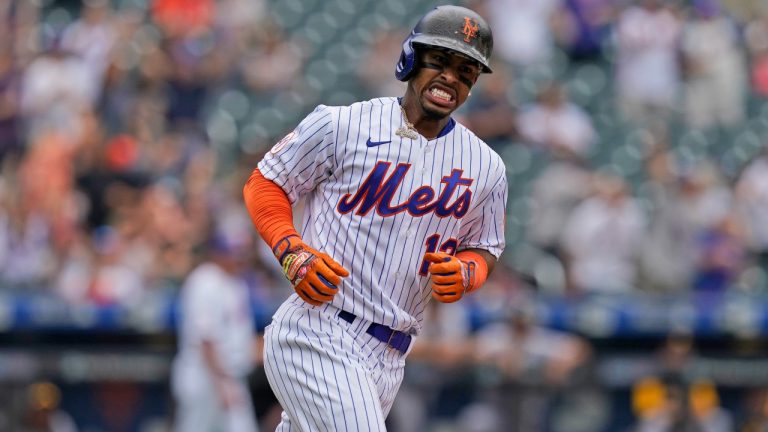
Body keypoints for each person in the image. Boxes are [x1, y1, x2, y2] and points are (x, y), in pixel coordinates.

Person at [243, 5, 507, 431]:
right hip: (318, 332)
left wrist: (467, 272)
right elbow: (266, 181)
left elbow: (486, 246)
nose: (450, 78)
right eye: (439, 61)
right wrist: (290, 250)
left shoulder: (487, 166)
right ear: (410, 60)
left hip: (391, 357)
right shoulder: (341, 124)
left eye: (466, 70)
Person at [171, 229, 260, 432]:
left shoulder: (236, 283)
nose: (239, 258)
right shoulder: (205, 281)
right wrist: (222, 383)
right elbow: (206, 339)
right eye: (233, 252)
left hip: (228, 376)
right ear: (218, 253)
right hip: (204, 377)